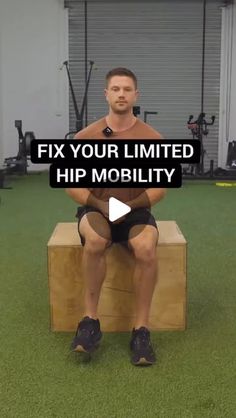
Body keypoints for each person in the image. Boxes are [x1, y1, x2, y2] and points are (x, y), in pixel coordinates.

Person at [66, 67, 166, 366]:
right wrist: (101, 204)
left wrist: (128, 206)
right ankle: (90, 322)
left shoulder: (151, 138)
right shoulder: (86, 137)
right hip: (96, 209)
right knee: (95, 239)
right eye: (115, 89)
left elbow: (159, 187)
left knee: (147, 247)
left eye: (127, 89)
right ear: (106, 94)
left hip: (135, 210)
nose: (121, 94)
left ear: (136, 95)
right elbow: (73, 184)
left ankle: (141, 330)